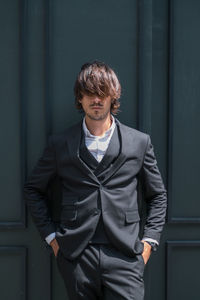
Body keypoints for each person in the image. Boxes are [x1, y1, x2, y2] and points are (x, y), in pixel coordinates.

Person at [24, 61, 167, 300]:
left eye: (103, 93)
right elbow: (33, 189)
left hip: (126, 255)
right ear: (80, 98)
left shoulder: (139, 142)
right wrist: (53, 240)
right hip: (77, 255)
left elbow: (157, 195)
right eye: (89, 93)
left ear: (113, 97)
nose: (96, 99)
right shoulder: (61, 144)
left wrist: (148, 243)